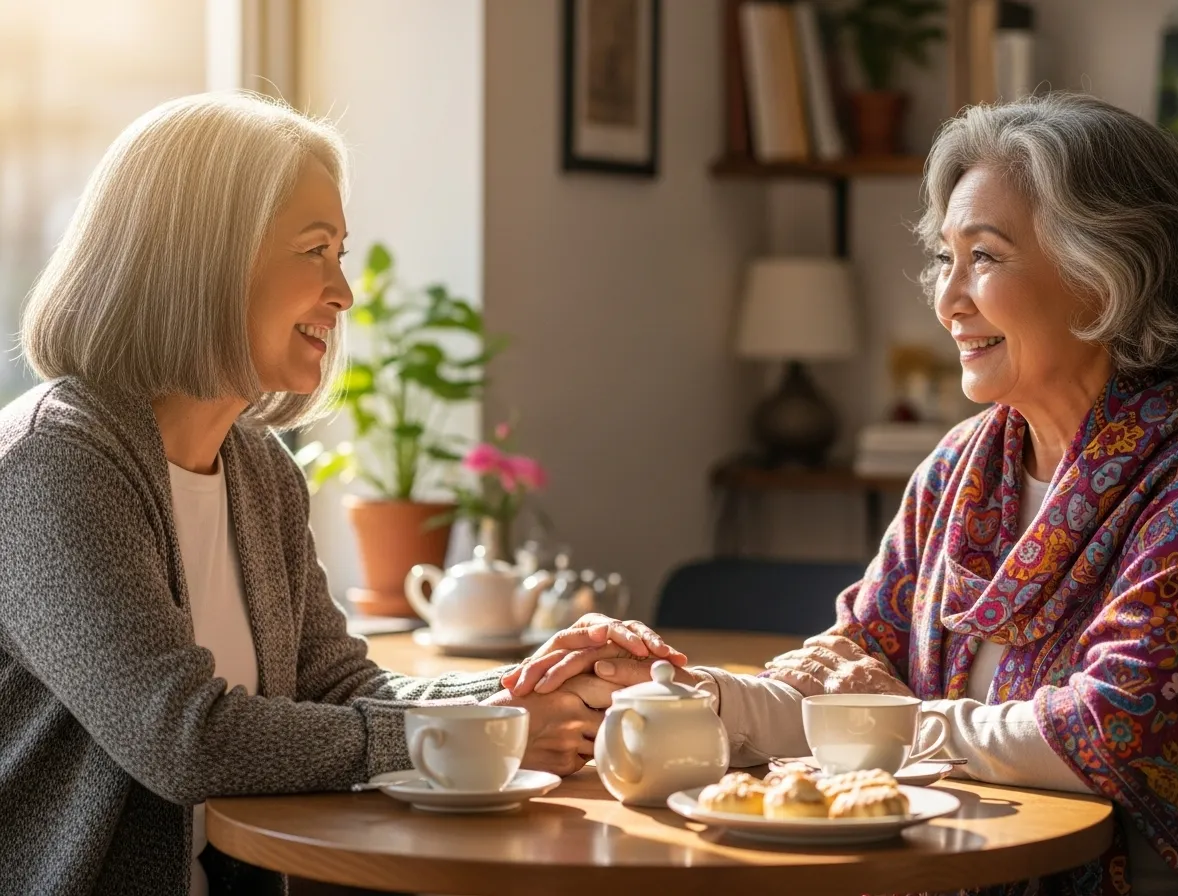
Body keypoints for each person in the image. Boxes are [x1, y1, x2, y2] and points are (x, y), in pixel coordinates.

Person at [506, 93, 1178, 896]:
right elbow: (856, 660)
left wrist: (887, 730)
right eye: (946, 259)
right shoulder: (958, 469)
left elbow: (1119, 729)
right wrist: (696, 694)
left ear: (1105, 272)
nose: (948, 301)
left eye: (984, 256)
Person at [0, 92, 683, 896]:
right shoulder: (54, 462)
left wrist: (531, 686)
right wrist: (491, 730)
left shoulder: (259, 470)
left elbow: (341, 688)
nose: (343, 293)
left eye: (340, 255)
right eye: (313, 251)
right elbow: (184, 739)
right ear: (206, 257)